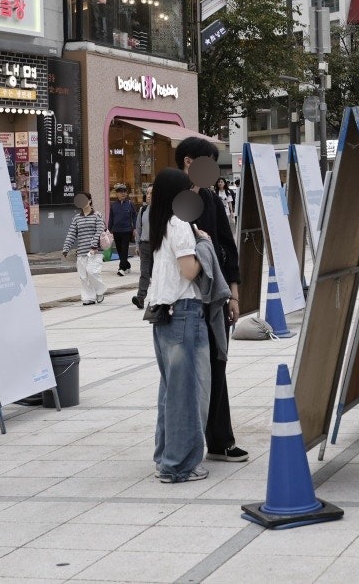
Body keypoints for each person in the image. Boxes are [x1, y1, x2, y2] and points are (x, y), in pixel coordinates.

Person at [174, 137, 247, 464]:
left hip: (214, 299)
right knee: (186, 374)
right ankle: (183, 444)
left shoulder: (212, 200)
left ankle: (221, 440)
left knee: (217, 365)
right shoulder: (169, 200)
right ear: (189, 162)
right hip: (182, 300)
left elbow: (228, 249)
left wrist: (233, 292)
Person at [145, 167, 210, 483]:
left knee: (170, 391)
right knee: (185, 393)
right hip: (184, 313)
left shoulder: (159, 224)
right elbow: (188, 271)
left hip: (162, 316)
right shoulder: (181, 225)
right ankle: (179, 465)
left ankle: (165, 459)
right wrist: (203, 246)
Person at [62, 193, 106, 305]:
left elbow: (100, 230)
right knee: (84, 276)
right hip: (81, 251)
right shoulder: (76, 218)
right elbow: (71, 234)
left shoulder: (97, 215)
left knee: (93, 272)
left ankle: (100, 291)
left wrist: (94, 245)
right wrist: (66, 248)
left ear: (90, 200)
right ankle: (89, 297)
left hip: (94, 251)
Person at [108, 183, 136, 278]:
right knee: (119, 250)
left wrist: (135, 228)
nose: (123, 194)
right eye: (121, 192)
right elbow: (111, 218)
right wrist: (108, 230)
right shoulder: (113, 205)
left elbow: (135, 216)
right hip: (116, 231)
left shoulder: (130, 204)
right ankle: (127, 265)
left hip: (127, 231)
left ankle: (121, 268)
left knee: (124, 249)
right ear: (117, 194)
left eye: (124, 192)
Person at [132, 185, 153, 309]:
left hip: (158, 246)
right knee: (144, 273)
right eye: (148, 193)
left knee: (157, 272)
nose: (149, 195)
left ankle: (160, 298)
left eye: (152, 193)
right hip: (144, 245)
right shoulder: (143, 210)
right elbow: (138, 229)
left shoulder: (162, 211)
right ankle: (140, 297)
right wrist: (137, 244)